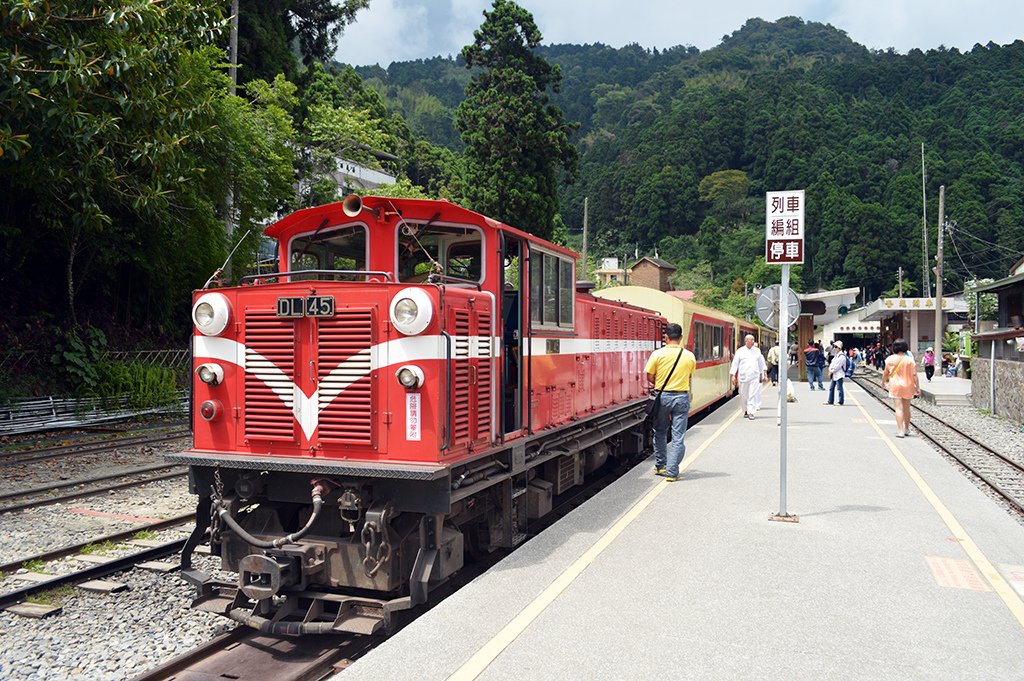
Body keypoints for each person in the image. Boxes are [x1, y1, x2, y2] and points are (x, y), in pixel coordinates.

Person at [643, 323, 697, 482]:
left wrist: (659, 383)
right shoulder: (689, 356)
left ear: (666, 337)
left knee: (659, 431)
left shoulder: (657, 354)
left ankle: (661, 466)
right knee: (678, 436)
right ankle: (672, 472)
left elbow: (649, 375)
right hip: (681, 397)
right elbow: (689, 376)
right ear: (680, 338)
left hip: (662, 397)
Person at [881, 338, 921, 438]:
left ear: (894, 348)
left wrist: (882, 383)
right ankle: (907, 428)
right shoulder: (909, 360)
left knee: (899, 408)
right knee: (907, 408)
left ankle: (901, 431)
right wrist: (918, 388)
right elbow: (915, 374)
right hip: (908, 385)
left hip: (895, 386)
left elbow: (886, 374)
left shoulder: (890, 359)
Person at [731, 333, 767, 419]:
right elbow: (735, 363)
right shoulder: (740, 351)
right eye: (752, 340)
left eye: (753, 340)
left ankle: (751, 412)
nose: (753, 342)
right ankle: (746, 410)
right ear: (746, 341)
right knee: (743, 394)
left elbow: (761, 362)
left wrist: (763, 373)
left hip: (754, 376)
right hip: (743, 377)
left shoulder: (757, 351)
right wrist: (733, 375)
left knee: (752, 394)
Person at [825, 340, 848, 405]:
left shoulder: (842, 356)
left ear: (839, 347)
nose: (834, 348)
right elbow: (832, 363)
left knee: (839, 388)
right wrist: (830, 369)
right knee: (831, 388)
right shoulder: (836, 355)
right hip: (834, 374)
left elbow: (838, 366)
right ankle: (830, 401)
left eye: (835, 347)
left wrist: (831, 371)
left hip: (839, 374)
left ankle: (840, 401)